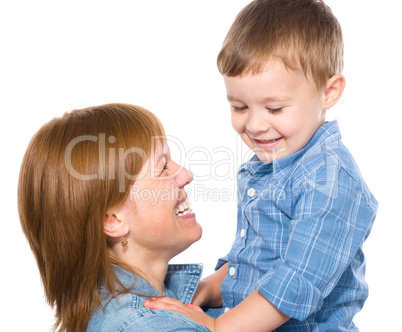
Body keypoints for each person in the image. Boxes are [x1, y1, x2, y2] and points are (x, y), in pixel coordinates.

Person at [143, 0, 378, 330]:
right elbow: (257, 256)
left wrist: (216, 327)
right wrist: (211, 287)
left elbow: (295, 282)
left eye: (276, 109)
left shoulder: (330, 179)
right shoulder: (274, 162)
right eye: (239, 107)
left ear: (329, 92)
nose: (254, 125)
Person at [18, 103, 211, 331]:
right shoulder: (151, 326)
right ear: (113, 220)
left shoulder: (112, 311)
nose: (187, 175)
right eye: (163, 167)